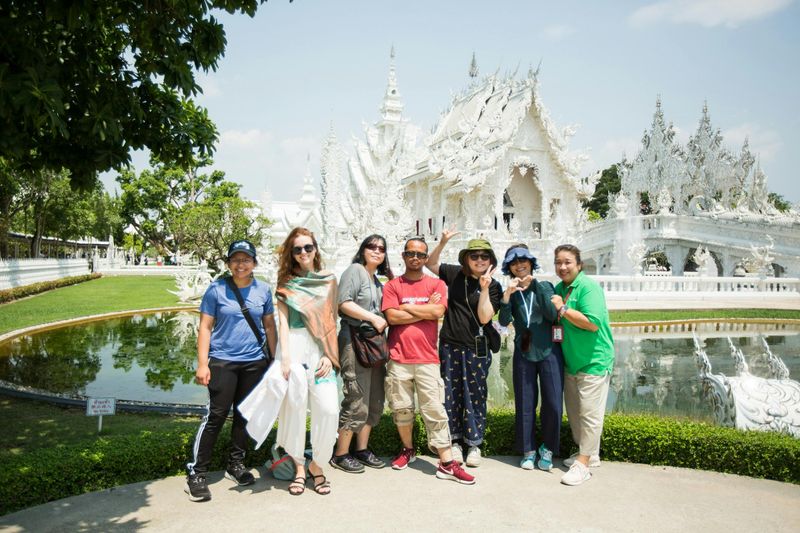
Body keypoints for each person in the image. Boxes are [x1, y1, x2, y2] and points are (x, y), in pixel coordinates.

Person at [185, 239, 278, 502]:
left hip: (254, 362)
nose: (241, 264)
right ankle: (196, 472)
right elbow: (205, 327)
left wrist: (273, 359)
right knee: (215, 416)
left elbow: (270, 327)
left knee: (244, 415)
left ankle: (235, 464)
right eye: (236, 259)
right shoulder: (216, 290)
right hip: (223, 361)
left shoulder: (263, 290)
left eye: (246, 259)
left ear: (254, 263)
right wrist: (203, 363)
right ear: (228, 263)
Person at [382, 237, 475, 485]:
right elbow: (391, 317)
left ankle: (446, 462)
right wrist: (421, 310)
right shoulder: (392, 286)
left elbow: (437, 312)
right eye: (411, 253)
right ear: (403, 256)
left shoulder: (436, 284)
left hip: (427, 359)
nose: (416, 258)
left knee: (434, 409)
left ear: (425, 258)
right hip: (398, 357)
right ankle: (408, 449)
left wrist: (406, 308)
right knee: (402, 409)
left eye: (421, 255)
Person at [426, 230, 503, 467]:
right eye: (474, 256)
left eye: (484, 256)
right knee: (450, 394)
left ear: (491, 260)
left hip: (476, 348)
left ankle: (474, 444)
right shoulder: (454, 274)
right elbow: (431, 263)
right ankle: (455, 442)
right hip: (450, 345)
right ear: (466, 259)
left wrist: (484, 288)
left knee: (475, 395)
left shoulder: (494, 286)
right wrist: (443, 242)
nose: (479, 260)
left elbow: (483, 318)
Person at [550, 244, 615, 486]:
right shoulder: (560, 288)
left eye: (567, 262)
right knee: (576, 413)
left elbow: (592, 324)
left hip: (594, 360)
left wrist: (563, 308)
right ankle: (589, 454)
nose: (562, 266)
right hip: (572, 361)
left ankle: (584, 464)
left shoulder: (588, 288)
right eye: (558, 262)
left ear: (579, 265)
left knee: (590, 414)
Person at [330, 235, 393, 473]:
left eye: (381, 248)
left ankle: (362, 449)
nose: (377, 251)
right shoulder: (354, 271)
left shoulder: (377, 280)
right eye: (372, 246)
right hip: (354, 339)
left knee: (375, 397)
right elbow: (343, 304)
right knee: (356, 395)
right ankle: (341, 453)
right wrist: (372, 317)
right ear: (363, 249)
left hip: (374, 343)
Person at [498, 244, 562, 471]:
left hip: (549, 352)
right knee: (525, 403)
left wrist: (535, 285)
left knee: (553, 403)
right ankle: (528, 450)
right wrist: (507, 295)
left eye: (523, 260)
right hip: (523, 352)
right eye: (514, 262)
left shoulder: (544, 286)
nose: (519, 265)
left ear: (531, 263)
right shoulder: (512, 293)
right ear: (509, 268)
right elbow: (504, 322)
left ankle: (548, 448)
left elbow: (551, 314)